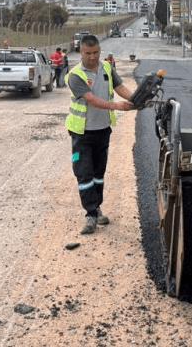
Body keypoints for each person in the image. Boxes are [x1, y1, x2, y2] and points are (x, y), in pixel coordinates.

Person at [64, 35, 134, 235]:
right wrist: (118, 106)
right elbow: (92, 99)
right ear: (81, 51)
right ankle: (90, 214)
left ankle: (96, 208)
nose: (92, 57)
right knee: (84, 173)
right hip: (81, 134)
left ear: (100, 51)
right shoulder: (75, 75)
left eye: (96, 53)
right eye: (88, 53)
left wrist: (137, 99)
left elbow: (120, 87)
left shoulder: (107, 68)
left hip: (103, 130)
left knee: (98, 174)